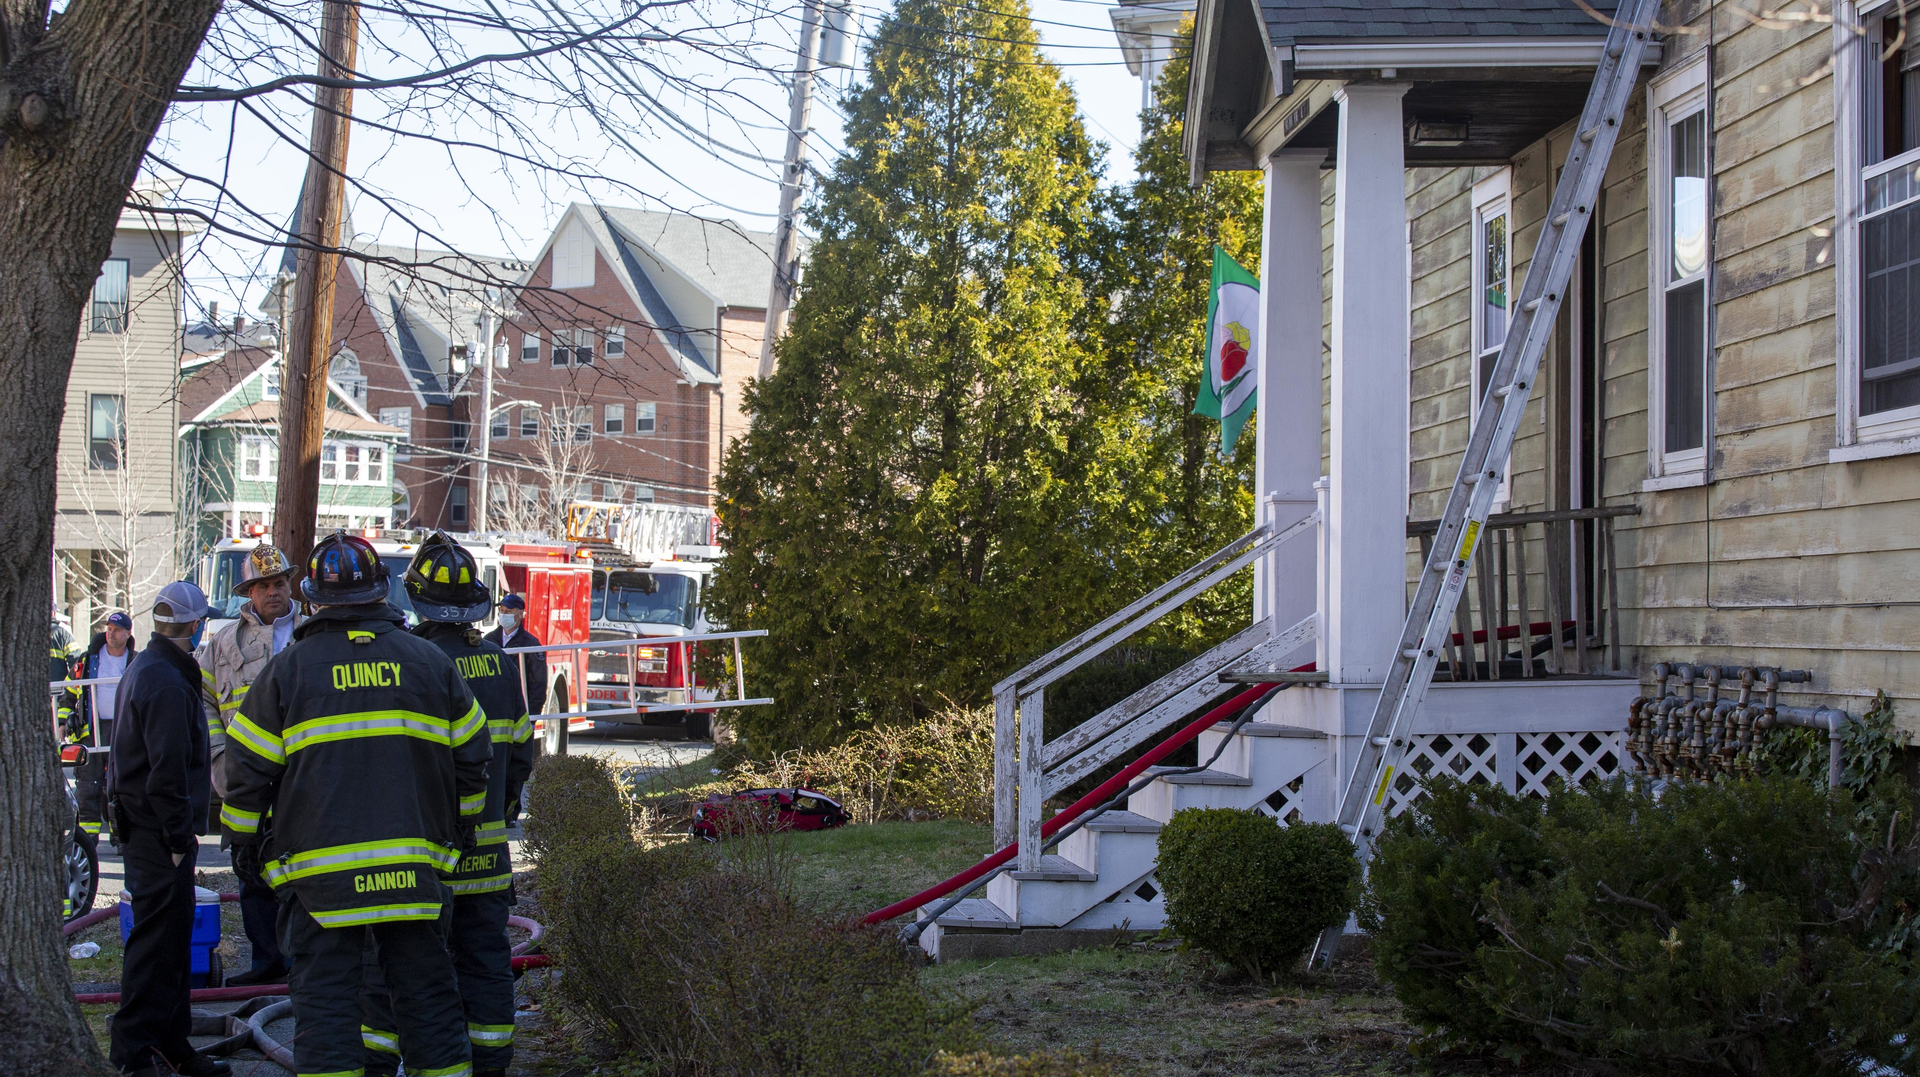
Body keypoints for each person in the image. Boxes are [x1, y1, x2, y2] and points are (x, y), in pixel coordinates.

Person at [221, 531, 490, 1077]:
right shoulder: (430, 664)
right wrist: (457, 830)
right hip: (414, 875)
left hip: (321, 883)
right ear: (380, 592)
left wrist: (246, 845)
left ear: (312, 599)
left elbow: (245, 772)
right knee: (428, 1002)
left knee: (325, 1008)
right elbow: (474, 757)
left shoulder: (288, 673)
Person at [363, 534, 534, 1077]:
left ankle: (388, 1062)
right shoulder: (500, 665)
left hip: (422, 858)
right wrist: (496, 813)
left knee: (401, 967)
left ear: (416, 598)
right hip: (485, 857)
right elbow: (522, 756)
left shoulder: (408, 663)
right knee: (487, 964)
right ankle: (489, 1063)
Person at [106, 582, 230, 1077]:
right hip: (158, 837)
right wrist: (180, 842)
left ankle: (172, 1045)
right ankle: (135, 1052)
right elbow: (167, 774)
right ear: (196, 626)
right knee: (155, 948)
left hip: (147, 832)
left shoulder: (152, 668)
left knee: (172, 944)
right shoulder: (166, 681)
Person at [196, 542, 301, 985]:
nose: (273, 592)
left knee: (303, 871)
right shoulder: (222, 643)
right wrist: (220, 756)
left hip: (302, 776)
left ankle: (303, 962)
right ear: (248, 594)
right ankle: (265, 964)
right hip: (243, 778)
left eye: (279, 583)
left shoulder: (310, 633)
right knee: (251, 868)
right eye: (263, 586)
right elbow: (202, 700)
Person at [59, 610, 137, 845]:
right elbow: (69, 690)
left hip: (124, 730)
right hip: (90, 730)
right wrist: (63, 721)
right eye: (109, 629)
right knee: (88, 784)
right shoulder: (88, 659)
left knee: (122, 784)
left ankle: (121, 836)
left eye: (116, 630)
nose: (111, 634)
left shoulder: (135, 661)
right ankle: (87, 838)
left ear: (127, 634)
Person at [483, 592, 547, 718]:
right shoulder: (488, 640)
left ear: (520, 614)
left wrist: (532, 717)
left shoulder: (530, 644)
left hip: (519, 709)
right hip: (492, 708)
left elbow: (538, 683)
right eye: (502, 611)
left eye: (508, 611)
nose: (504, 614)